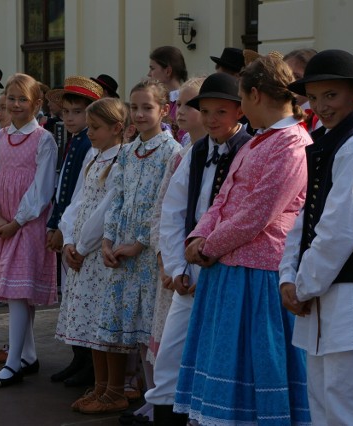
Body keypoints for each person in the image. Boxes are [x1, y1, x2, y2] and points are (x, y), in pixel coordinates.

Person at [177, 55, 311, 425]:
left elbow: (257, 214)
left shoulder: (292, 144)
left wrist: (206, 246)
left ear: (254, 94)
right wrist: (199, 234)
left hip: (260, 272)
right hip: (227, 268)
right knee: (225, 359)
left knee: (258, 362)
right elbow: (223, 197)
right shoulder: (257, 142)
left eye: (241, 96)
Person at [281, 49, 353, 425]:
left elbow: (340, 229)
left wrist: (303, 284)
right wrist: (288, 275)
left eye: (330, 95)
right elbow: (305, 214)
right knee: (325, 403)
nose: (321, 105)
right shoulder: (328, 139)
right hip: (325, 293)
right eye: (314, 97)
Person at [144, 73, 251, 425]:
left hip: (228, 270)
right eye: (205, 111)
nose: (211, 119)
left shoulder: (248, 150)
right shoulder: (195, 152)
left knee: (220, 355)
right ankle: (166, 412)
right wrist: (176, 267)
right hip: (189, 274)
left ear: (239, 112)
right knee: (170, 354)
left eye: (221, 111)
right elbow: (173, 213)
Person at [93, 79, 181, 414]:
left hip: (147, 255)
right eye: (135, 107)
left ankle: (157, 398)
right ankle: (146, 395)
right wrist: (108, 238)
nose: (140, 114)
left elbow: (165, 205)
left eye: (147, 107)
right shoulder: (128, 152)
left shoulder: (170, 152)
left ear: (164, 110)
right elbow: (116, 198)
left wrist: (141, 243)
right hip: (122, 250)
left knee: (151, 332)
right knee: (132, 331)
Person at [0, 73, 58, 388]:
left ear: (36, 103)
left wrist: (18, 220)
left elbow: (42, 188)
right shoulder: (0, 137)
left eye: (22, 99)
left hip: (27, 223)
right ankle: (27, 354)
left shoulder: (43, 139)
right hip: (4, 221)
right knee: (16, 292)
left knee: (18, 291)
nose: (15, 104)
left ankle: (13, 362)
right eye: (11, 98)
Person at [136, 76, 206, 423]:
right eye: (180, 103)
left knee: (191, 346)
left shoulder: (219, 152)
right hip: (172, 265)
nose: (181, 111)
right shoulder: (182, 154)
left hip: (197, 267)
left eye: (191, 104)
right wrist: (166, 259)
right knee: (167, 347)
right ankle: (164, 406)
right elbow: (163, 210)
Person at [53, 97, 127, 412]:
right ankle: (98, 386)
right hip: (82, 250)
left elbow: (106, 209)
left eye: (96, 127)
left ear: (117, 128)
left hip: (98, 252)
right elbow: (78, 201)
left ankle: (115, 389)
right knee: (92, 325)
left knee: (106, 324)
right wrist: (68, 237)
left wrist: (82, 246)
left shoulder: (121, 160)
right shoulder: (93, 156)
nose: (90, 132)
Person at [44, 76, 103, 387]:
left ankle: (87, 364)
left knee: (81, 299)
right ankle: (77, 358)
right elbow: (63, 188)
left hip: (80, 233)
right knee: (71, 298)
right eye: (65, 111)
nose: (69, 118)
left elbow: (79, 193)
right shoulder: (75, 141)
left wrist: (60, 228)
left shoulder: (88, 145)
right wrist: (56, 224)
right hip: (68, 228)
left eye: (76, 112)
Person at [148, 46, 188, 141]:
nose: (149, 74)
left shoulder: (184, 102)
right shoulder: (157, 100)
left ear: (168, 71)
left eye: (152, 68)